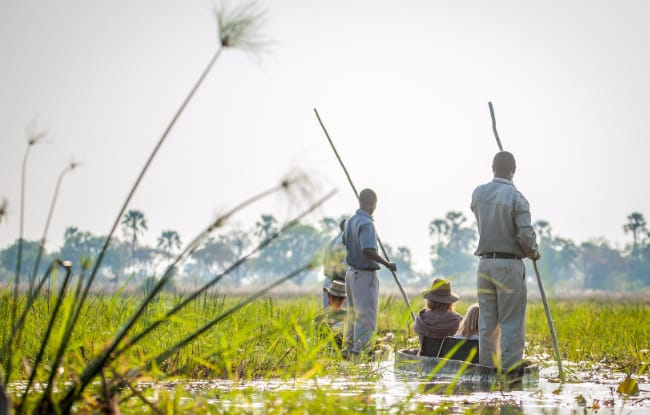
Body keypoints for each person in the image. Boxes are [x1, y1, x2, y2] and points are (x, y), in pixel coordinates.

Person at [471, 151, 540, 371]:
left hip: (485, 264)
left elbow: (478, 213)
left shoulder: (479, 193)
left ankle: (487, 371)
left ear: (492, 167)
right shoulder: (517, 198)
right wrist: (534, 252)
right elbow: (525, 234)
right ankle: (510, 372)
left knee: (487, 323)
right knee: (511, 322)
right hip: (509, 264)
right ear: (514, 170)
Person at [342, 188, 396, 359]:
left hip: (351, 274)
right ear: (370, 203)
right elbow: (368, 250)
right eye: (375, 204)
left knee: (353, 314)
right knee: (365, 317)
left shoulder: (350, 221)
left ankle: (348, 351)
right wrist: (387, 263)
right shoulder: (366, 223)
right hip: (364, 275)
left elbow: (345, 240)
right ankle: (361, 354)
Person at [413, 278, 463, 356]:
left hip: (424, 357)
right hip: (448, 360)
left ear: (430, 300)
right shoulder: (458, 320)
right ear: (449, 302)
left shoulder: (421, 317)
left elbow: (416, 329)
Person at [313, 279, 347, 349]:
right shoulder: (351, 317)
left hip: (324, 352)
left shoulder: (319, 319)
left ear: (329, 297)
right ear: (344, 299)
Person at [322, 218, 347, 309]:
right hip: (340, 283)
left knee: (327, 311)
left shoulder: (332, 242)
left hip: (329, 280)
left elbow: (325, 268)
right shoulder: (344, 241)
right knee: (342, 313)